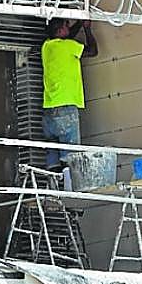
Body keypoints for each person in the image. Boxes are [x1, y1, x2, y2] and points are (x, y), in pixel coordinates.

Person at [41, 17, 99, 170]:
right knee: (71, 158)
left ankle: (54, 188)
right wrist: (87, 29)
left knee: (53, 158)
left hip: (49, 111)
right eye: (67, 25)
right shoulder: (68, 46)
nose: (69, 27)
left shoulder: (47, 46)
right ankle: (68, 191)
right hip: (66, 108)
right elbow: (93, 51)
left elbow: (66, 36)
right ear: (60, 31)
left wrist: (79, 24)